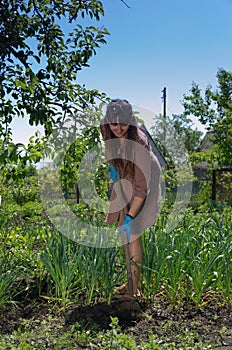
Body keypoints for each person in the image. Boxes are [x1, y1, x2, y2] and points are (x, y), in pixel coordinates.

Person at [100, 99, 161, 300]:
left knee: (132, 231)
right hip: (123, 171)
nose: (118, 129)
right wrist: (115, 169)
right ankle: (130, 281)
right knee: (122, 233)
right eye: (114, 124)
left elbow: (142, 189)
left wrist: (130, 216)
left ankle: (134, 290)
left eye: (123, 124)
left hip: (143, 175)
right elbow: (110, 142)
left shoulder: (139, 143)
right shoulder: (106, 126)